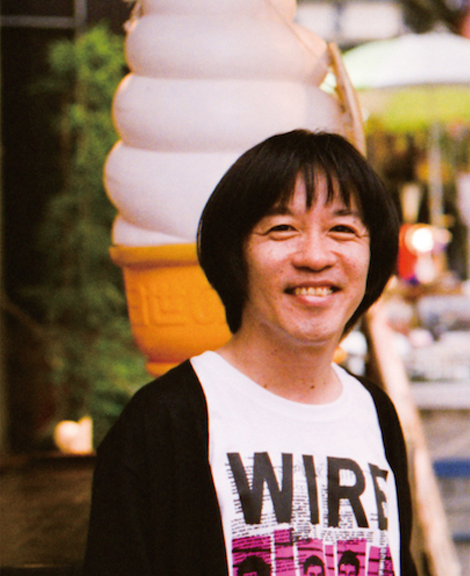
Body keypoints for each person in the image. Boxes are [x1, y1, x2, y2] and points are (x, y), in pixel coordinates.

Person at [84, 130, 416, 576]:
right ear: (235, 254)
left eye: (342, 229)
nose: (315, 256)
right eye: (282, 229)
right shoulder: (163, 422)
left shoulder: (375, 414)